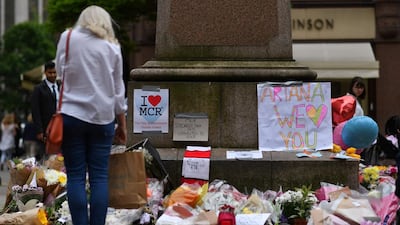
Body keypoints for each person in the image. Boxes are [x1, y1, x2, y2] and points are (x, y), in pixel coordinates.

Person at [55, 5, 127, 225]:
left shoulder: (67, 38)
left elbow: (59, 72)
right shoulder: (112, 47)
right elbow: (118, 90)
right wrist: (122, 124)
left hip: (71, 115)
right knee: (99, 177)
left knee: (75, 176)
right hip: (102, 118)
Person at [31, 60, 59, 161]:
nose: (52, 75)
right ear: (45, 73)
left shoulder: (60, 87)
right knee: (45, 156)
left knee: (58, 156)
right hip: (46, 128)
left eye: (54, 72)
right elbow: (35, 110)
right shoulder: (38, 89)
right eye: (50, 73)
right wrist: (39, 130)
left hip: (60, 128)